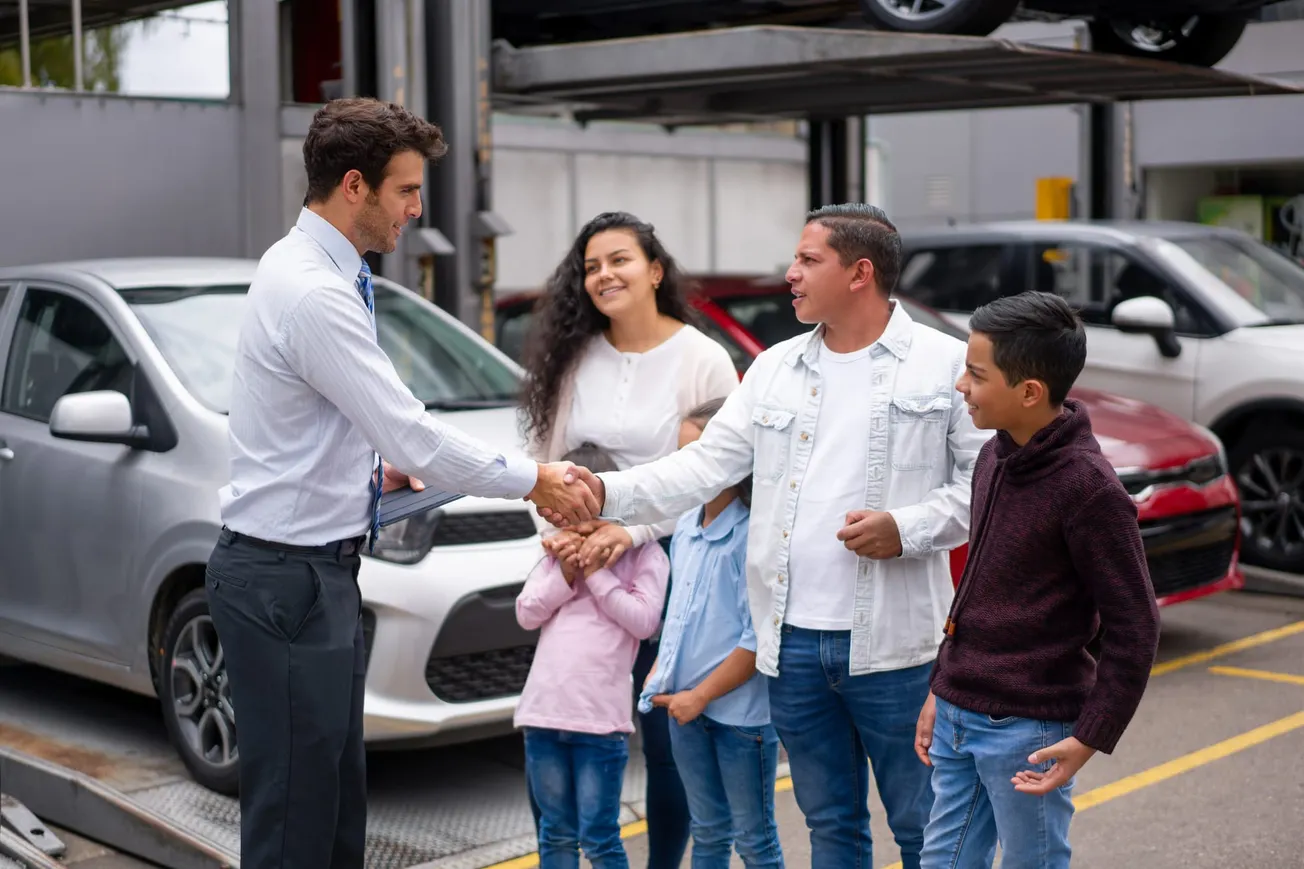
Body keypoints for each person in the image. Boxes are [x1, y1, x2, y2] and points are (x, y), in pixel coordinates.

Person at [206, 97, 596, 869]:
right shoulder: (315, 289)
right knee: (297, 829)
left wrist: (369, 468)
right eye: (407, 191)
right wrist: (536, 480)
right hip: (288, 582)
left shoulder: (315, 269)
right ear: (355, 186)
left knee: (333, 809)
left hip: (310, 574)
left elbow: (320, 419)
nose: (417, 210)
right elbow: (409, 427)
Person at [540, 203, 991, 869]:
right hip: (794, 648)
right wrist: (606, 493)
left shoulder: (945, 364)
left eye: (809, 260)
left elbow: (985, 492)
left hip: (897, 648)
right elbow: (702, 466)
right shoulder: (775, 368)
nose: (791, 273)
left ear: (860, 272)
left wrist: (907, 528)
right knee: (831, 827)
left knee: (925, 826)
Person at [519, 210, 739, 868]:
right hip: (573, 563)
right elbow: (540, 460)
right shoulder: (572, 357)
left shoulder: (702, 358)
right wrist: (566, 538)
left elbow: (720, 475)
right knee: (558, 722)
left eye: (619, 259)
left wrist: (630, 530)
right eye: (590, 266)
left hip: (665, 566)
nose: (603, 274)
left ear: (655, 270)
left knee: (665, 734)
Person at [914, 292, 1161, 869]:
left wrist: (1090, 735)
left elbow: (1135, 624)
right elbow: (975, 590)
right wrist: (941, 685)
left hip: (1027, 728)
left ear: (1029, 391)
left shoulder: (1089, 489)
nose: (961, 387)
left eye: (976, 375)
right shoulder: (994, 456)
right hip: (957, 708)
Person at [637, 398, 784, 869]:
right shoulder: (685, 527)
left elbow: (757, 636)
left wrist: (699, 696)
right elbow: (678, 614)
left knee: (754, 840)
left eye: (699, 454)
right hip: (684, 707)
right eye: (682, 455)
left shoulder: (752, 535)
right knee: (707, 832)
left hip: (739, 719)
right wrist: (663, 671)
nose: (688, 467)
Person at [515, 441, 671, 869]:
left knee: (599, 837)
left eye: (589, 512)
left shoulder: (644, 555)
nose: (577, 526)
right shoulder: (555, 553)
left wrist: (598, 575)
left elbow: (645, 623)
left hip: (601, 722)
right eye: (567, 515)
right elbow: (526, 613)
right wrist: (565, 574)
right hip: (543, 715)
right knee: (555, 834)